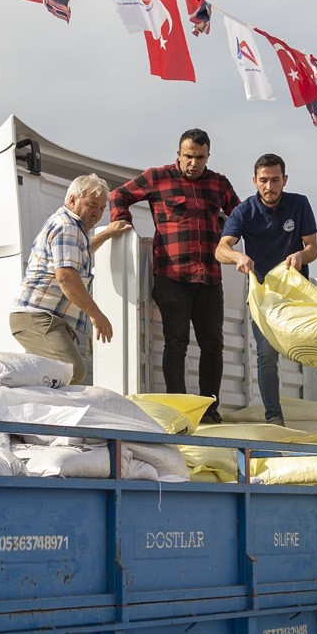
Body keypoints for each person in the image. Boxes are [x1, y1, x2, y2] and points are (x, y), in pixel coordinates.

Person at [216, 154, 317, 437]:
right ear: (254, 181)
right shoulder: (243, 212)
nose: (269, 186)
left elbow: (313, 248)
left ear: (284, 180)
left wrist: (300, 254)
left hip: (300, 297)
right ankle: (274, 417)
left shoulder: (299, 204)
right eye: (263, 180)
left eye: (275, 180)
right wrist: (237, 256)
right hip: (265, 301)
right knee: (266, 354)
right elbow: (220, 248)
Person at [111, 130, 241, 419]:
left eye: (200, 157)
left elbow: (241, 215)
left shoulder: (219, 184)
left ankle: (209, 409)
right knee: (176, 342)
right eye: (189, 156)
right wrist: (122, 221)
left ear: (208, 156)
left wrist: (232, 236)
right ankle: (178, 409)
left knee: (213, 345)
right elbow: (119, 194)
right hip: (172, 275)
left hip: (209, 277)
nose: (194, 163)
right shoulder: (157, 177)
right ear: (178, 154)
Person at [10, 173, 128, 385]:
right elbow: (66, 277)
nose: (97, 213)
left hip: (45, 318)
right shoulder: (67, 227)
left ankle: (34, 410)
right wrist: (96, 314)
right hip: (39, 317)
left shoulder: (73, 228)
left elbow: (78, 254)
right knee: (71, 371)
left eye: (102, 208)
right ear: (72, 200)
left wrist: (106, 234)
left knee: (48, 375)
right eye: (92, 205)